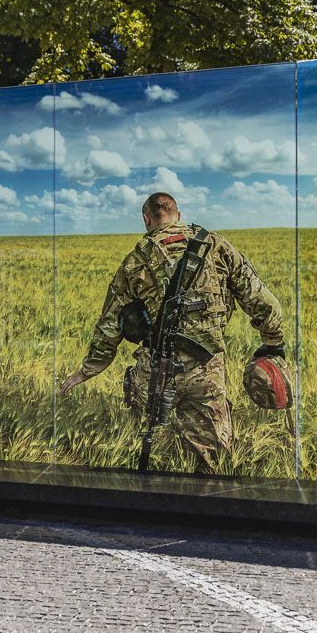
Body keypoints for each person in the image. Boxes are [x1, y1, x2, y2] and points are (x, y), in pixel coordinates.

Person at [59, 192, 286, 473]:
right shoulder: (216, 246)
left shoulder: (134, 261)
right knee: (209, 459)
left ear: (146, 220)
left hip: (156, 370)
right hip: (208, 371)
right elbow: (262, 301)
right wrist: (273, 343)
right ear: (178, 214)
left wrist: (88, 370)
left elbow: (111, 324)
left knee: (145, 446)